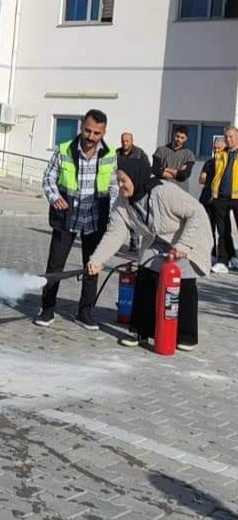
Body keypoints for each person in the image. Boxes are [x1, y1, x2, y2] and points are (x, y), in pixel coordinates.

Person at [87, 157, 211, 351]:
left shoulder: (163, 192)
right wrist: (97, 260)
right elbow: (115, 233)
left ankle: (186, 335)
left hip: (188, 238)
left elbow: (198, 213)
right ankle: (140, 330)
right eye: (118, 180)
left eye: (123, 180)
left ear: (136, 178)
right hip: (157, 241)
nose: (120, 186)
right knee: (146, 276)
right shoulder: (123, 202)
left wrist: (183, 246)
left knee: (184, 283)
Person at [36, 109, 118, 331]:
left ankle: (85, 313)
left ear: (104, 132)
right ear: (82, 126)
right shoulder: (64, 150)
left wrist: (111, 212)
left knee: (92, 266)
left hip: (94, 219)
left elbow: (113, 186)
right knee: (55, 265)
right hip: (66, 217)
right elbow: (48, 178)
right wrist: (54, 197)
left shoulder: (110, 154)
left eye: (97, 133)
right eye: (88, 130)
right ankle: (47, 309)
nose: (91, 137)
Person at [209, 126, 238, 273]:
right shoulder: (221, 154)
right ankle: (224, 260)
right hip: (221, 197)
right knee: (222, 231)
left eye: (231, 136)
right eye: (226, 136)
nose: (228, 139)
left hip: (237, 197)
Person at [116, 132, 150, 252]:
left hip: (135, 190)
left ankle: (134, 241)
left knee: (134, 215)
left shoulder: (139, 153)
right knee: (120, 215)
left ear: (132, 140)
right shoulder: (117, 153)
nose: (125, 143)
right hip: (121, 188)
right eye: (123, 141)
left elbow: (146, 169)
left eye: (127, 141)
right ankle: (116, 241)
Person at [198, 136, 226, 268]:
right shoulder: (209, 162)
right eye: (214, 148)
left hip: (220, 200)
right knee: (208, 228)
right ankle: (211, 253)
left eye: (219, 148)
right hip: (206, 198)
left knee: (222, 230)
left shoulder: (228, 164)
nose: (216, 150)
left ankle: (223, 257)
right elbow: (202, 179)